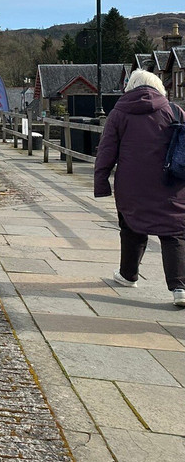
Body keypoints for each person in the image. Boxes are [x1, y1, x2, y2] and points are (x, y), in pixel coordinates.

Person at [94, 70, 185, 307]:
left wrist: (101, 182)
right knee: (173, 231)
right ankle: (179, 287)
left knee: (132, 227)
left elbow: (106, 150)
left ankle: (128, 275)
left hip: (131, 184)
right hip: (171, 182)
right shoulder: (174, 111)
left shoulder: (119, 113)